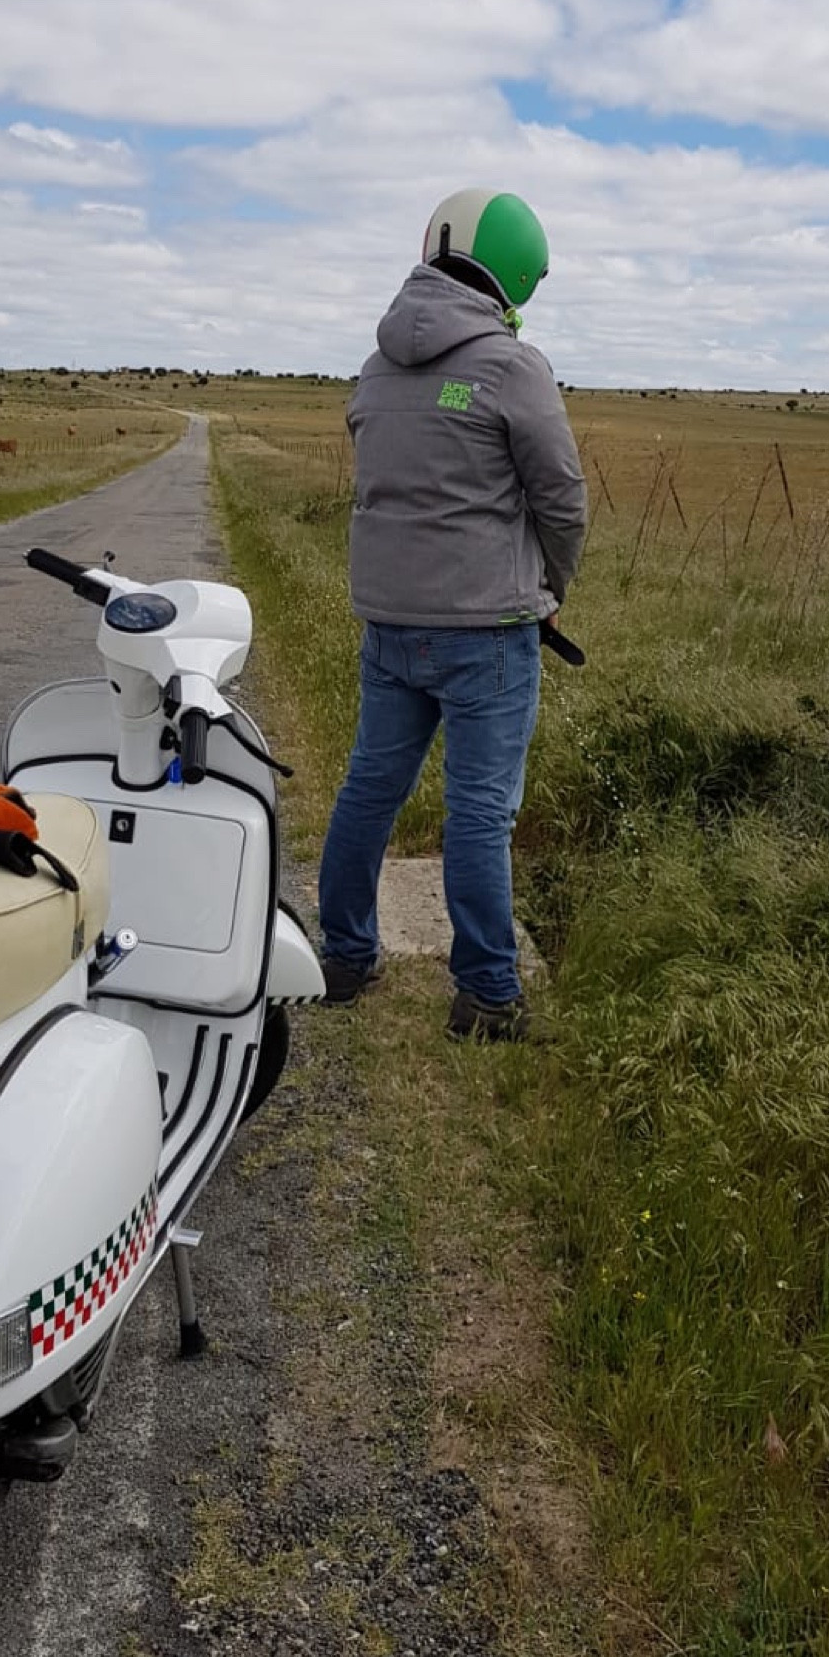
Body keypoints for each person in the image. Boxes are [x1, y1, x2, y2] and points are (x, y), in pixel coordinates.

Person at [318, 186, 588, 1041]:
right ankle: (487, 997)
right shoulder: (513, 367)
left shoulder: (376, 364)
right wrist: (550, 591)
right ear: (514, 272)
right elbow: (563, 500)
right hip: (488, 634)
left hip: (389, 625)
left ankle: (344, 958)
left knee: (370, 789)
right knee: (479, 813)